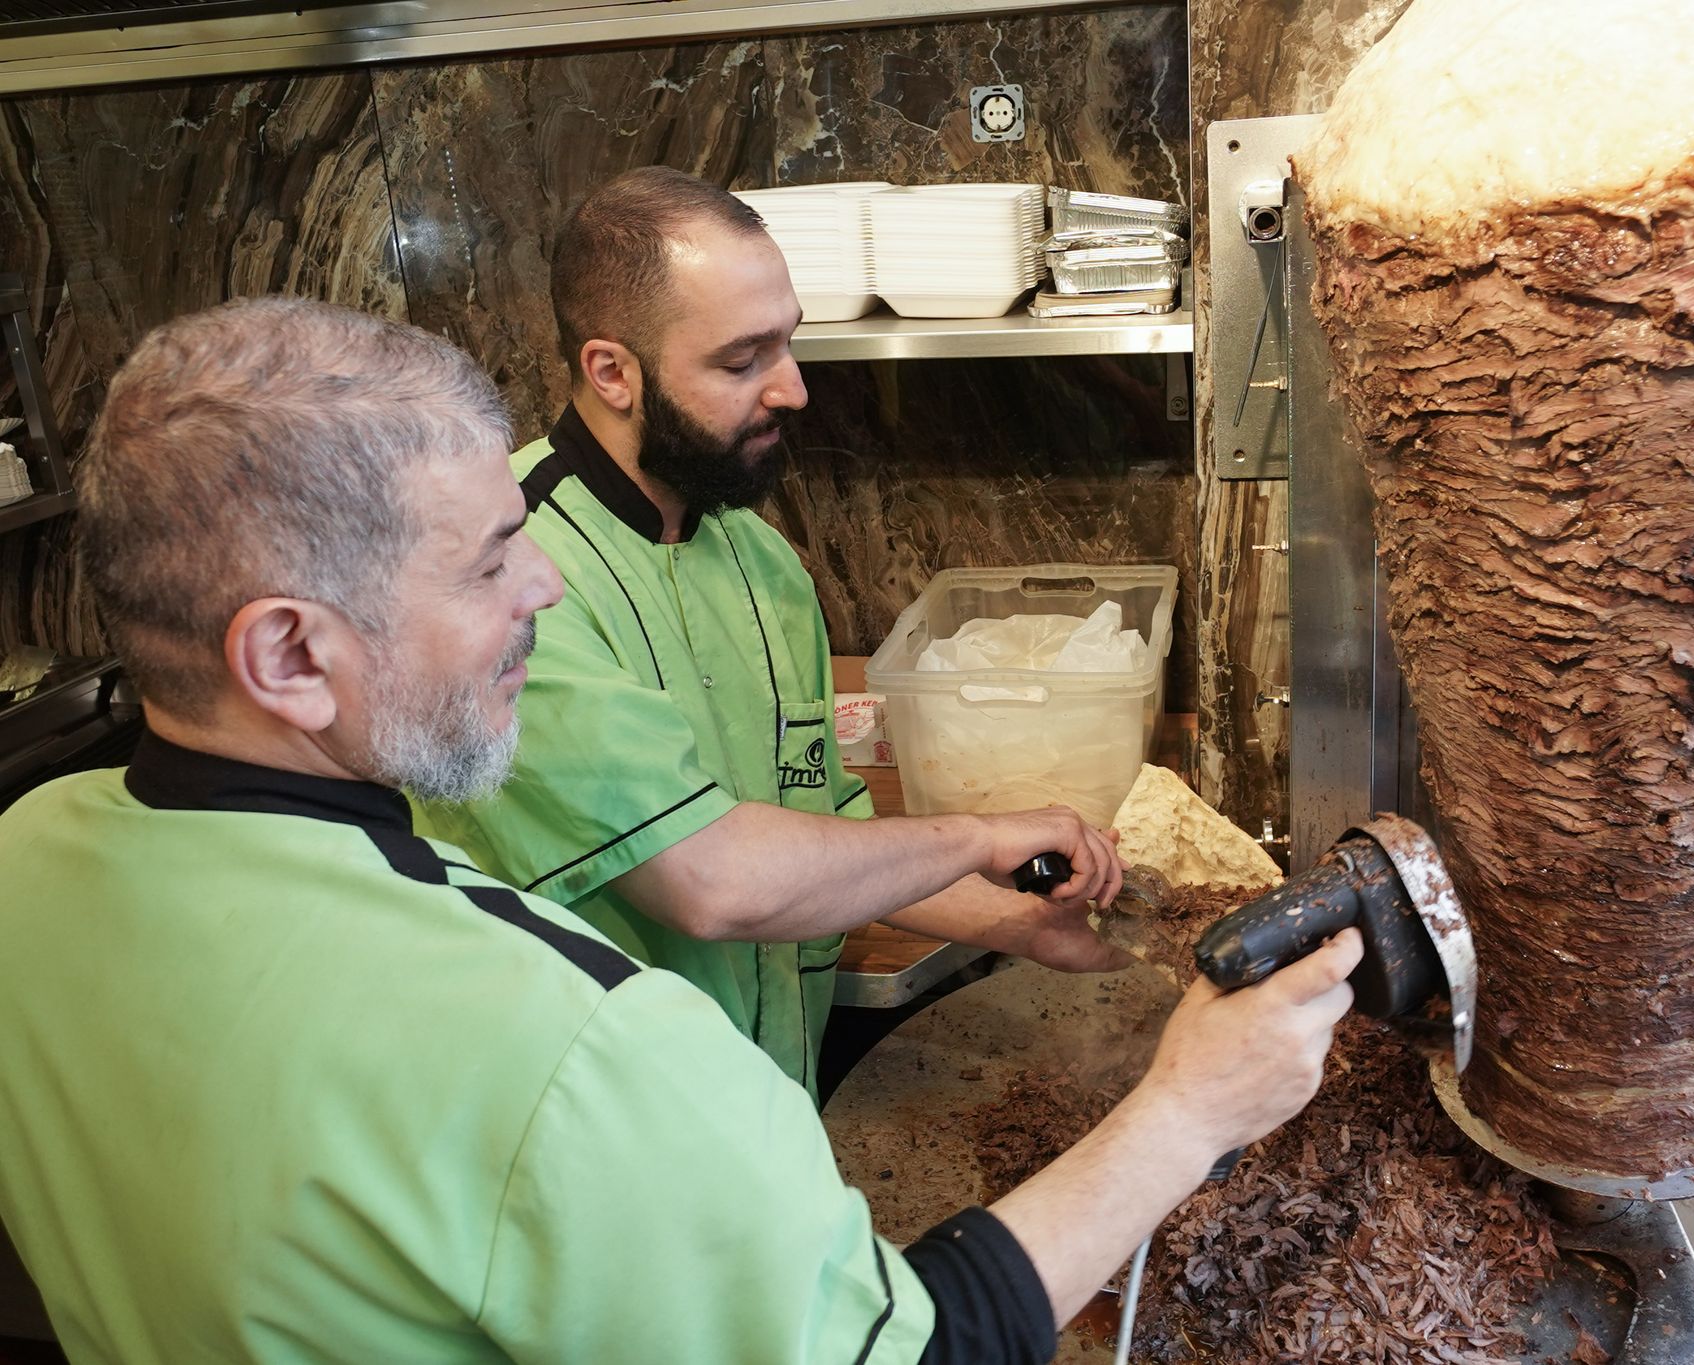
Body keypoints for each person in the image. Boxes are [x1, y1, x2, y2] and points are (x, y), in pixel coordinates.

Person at [0, 298, 1363, 1364]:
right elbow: (913, 1346)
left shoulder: (29, 856)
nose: (544, 583)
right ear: (290, 655)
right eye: (486, 560)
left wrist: (1001, 912)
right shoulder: (567, 1044)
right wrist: (1189, 1109)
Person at [417, 166, 1131, 1097]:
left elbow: (824, 831)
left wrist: (1023, 922)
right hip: (594, 1114)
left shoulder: (762, 562)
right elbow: (711, 881)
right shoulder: (506, 577)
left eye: (788, 343)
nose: (792, 389)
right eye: (741, 361)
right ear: (611, 372)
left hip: (763, 1101)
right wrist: (978, 836)